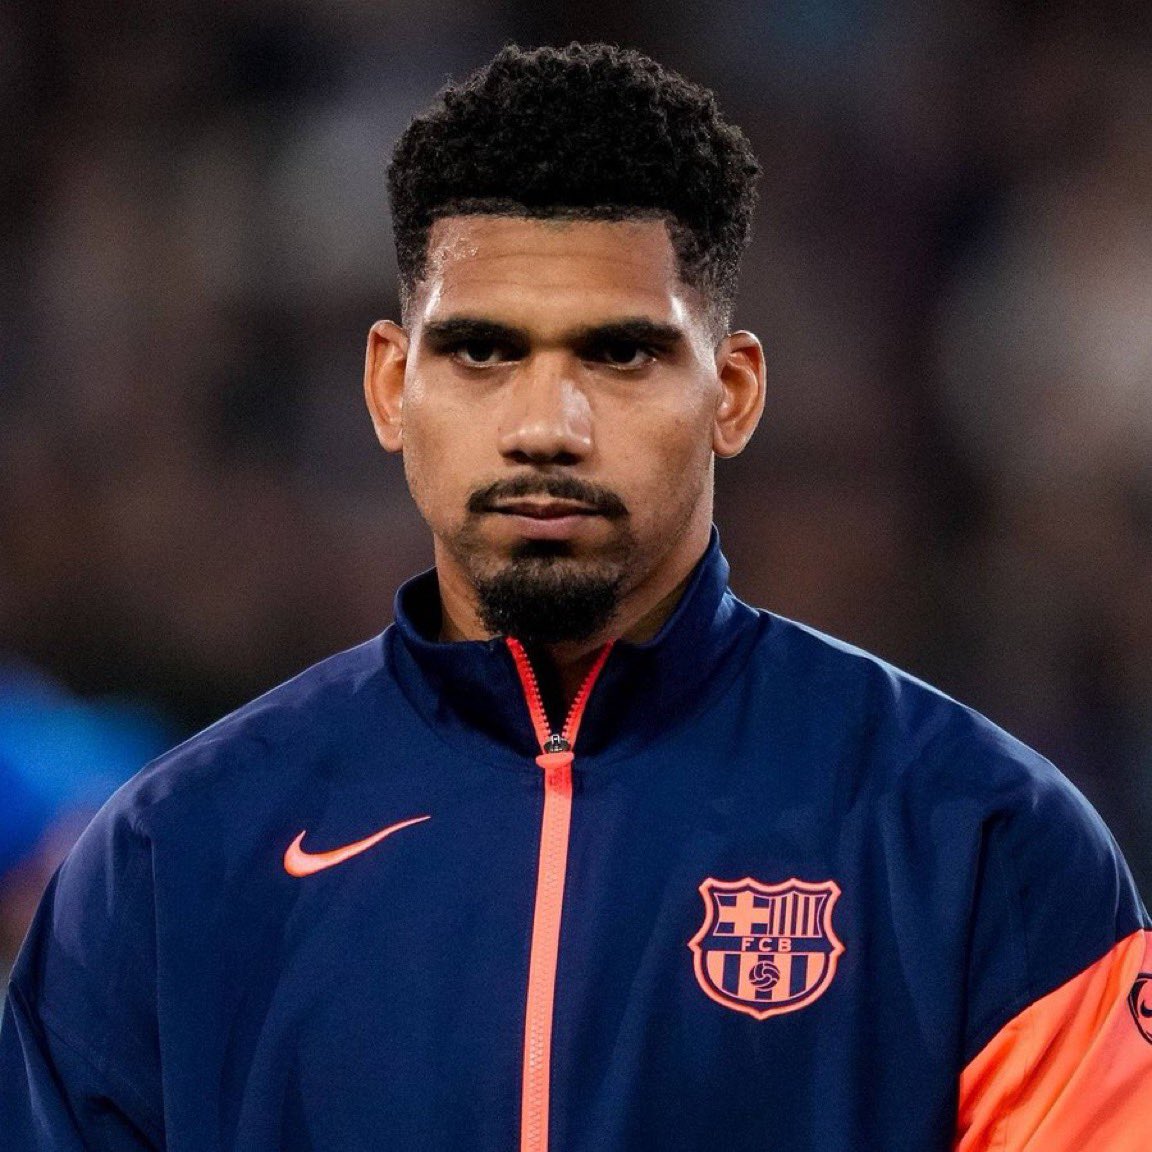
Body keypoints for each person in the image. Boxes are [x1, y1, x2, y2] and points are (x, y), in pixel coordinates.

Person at [1, 42, 1149, 1152]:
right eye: (483, 353)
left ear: (734, 392)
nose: (547, 426)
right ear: (391, 386)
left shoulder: (985, 842)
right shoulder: (170, 860)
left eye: (620, 355)